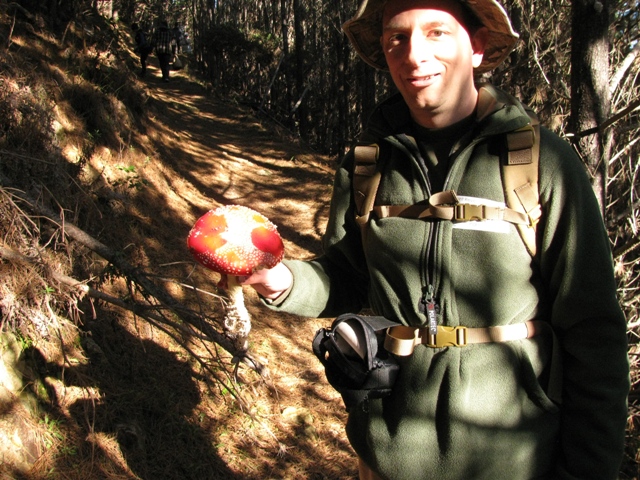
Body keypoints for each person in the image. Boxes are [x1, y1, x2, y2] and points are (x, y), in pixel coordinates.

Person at [238, 0, 630, 478]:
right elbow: (345, 275)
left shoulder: (542, 162)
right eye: (396, 38)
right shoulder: (366, 165)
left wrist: (590, 469)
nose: (413, 54)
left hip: (514, 460)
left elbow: (594, 333)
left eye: (436, 32)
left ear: (478, 47)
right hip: (387, 455)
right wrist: (279, 279)